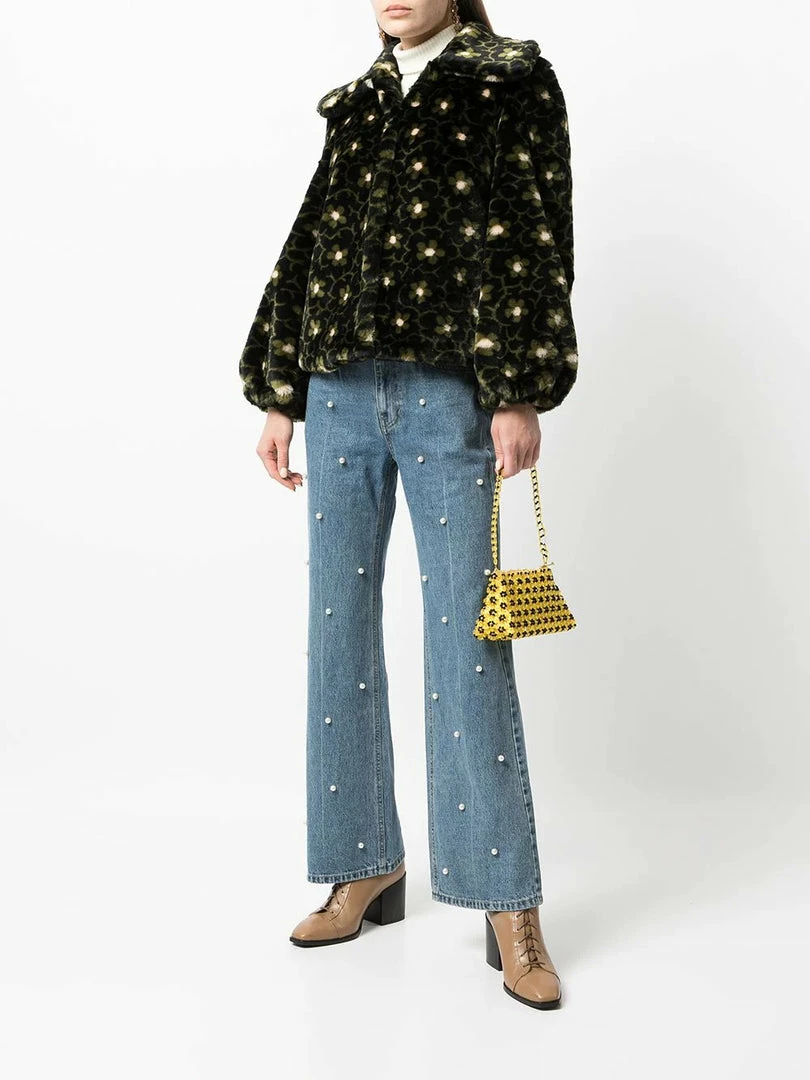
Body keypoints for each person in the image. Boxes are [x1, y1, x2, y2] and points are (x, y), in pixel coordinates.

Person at [237, 0, 578, 1011]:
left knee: (469, 635)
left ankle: (508, 903)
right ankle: (362, 866)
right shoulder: (359, 101)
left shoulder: (509, 76)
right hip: (339, 392)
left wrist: (516, 387)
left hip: (446, 390)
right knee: (336, 629)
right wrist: (281, 392)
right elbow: (311, 239)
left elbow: (535, 234)